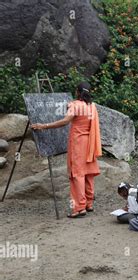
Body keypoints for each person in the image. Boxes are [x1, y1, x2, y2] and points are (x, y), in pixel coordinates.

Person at [31, 82, 102, 218]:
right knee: (88, 173)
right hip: (90, 143)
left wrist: (43, 125)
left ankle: (79, 207)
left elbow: (65, 121)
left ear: (77, 91)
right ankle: (89, 203)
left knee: (77, 174)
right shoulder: (92, 106)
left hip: (78, 143)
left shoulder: (75, 105)